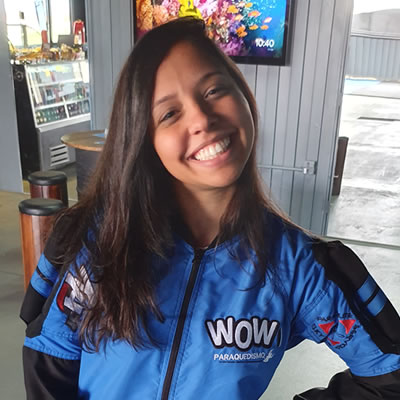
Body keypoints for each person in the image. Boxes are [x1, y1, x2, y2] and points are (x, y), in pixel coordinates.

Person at [20, 18, 400, 400]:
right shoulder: (93, 242)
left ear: (244, 96)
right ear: (144, 139)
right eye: (170, 114)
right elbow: (48, 365)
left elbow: (388, 375)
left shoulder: (302, 267)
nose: (202, 119)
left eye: (214, 90)